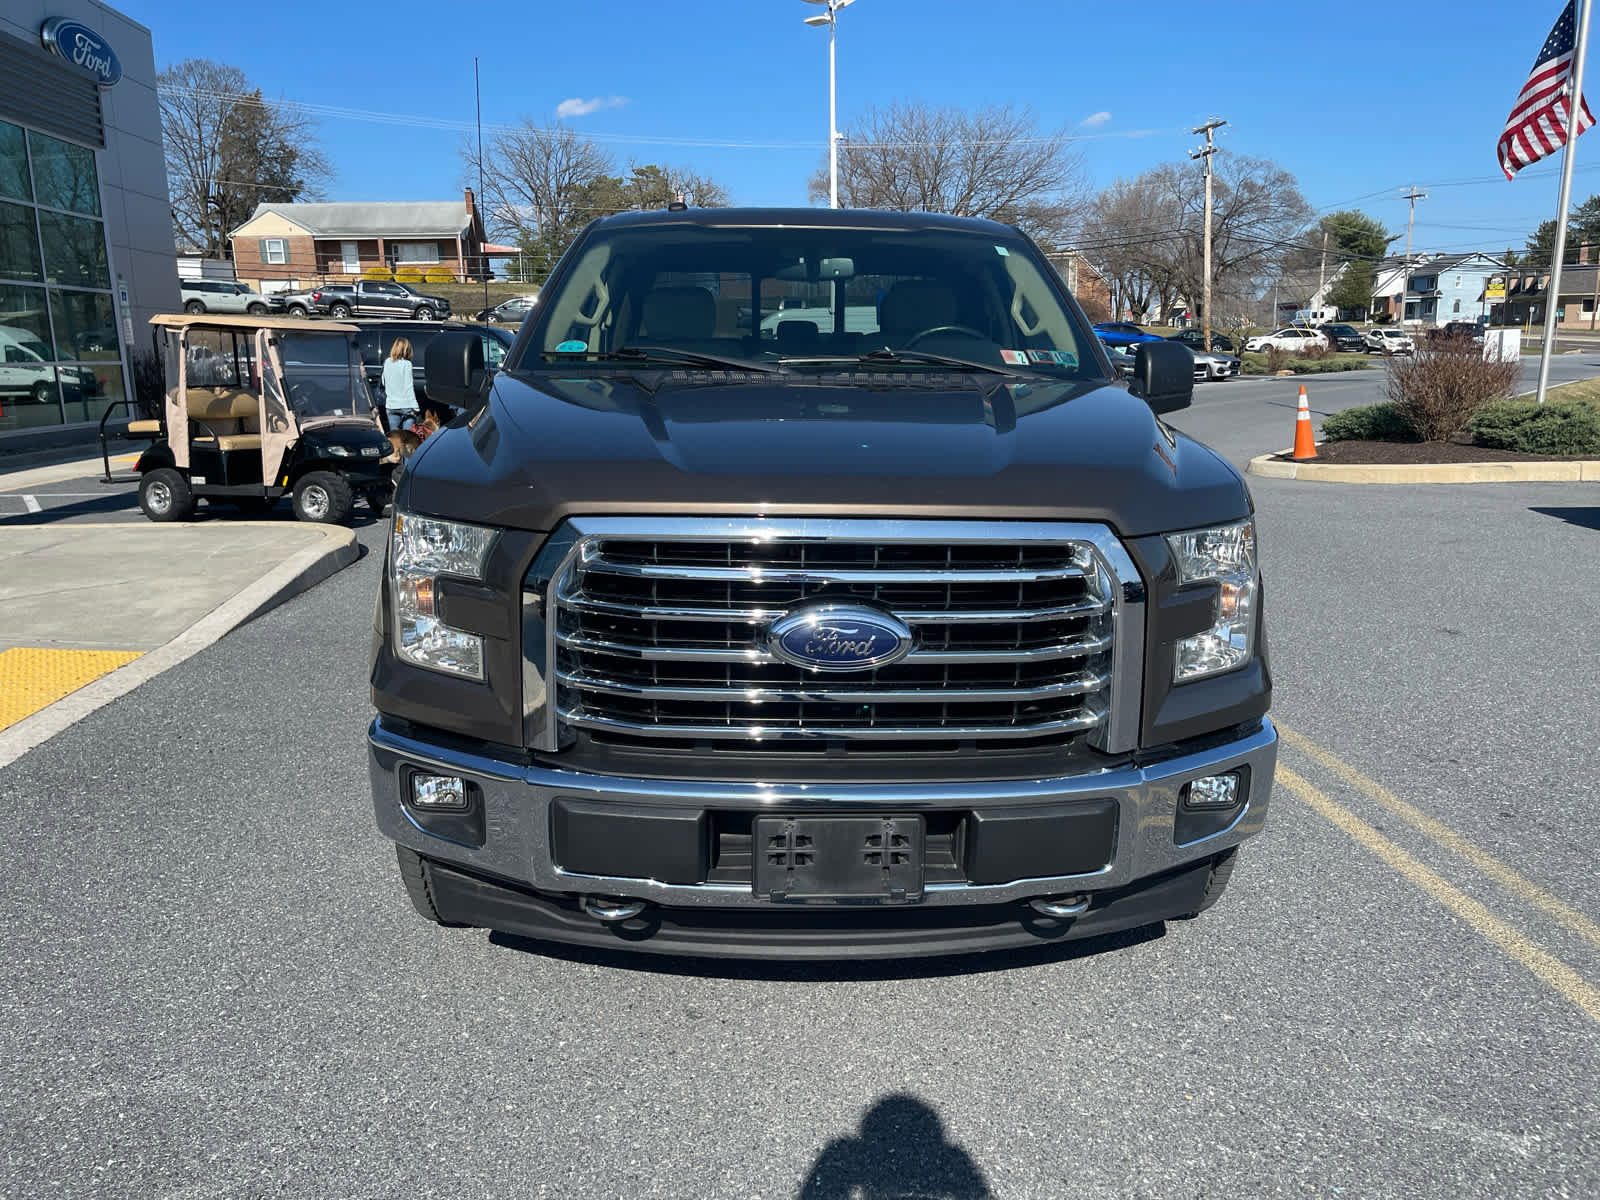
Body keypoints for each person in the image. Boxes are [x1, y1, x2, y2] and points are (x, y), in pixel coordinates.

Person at [380, 338, 417, 432]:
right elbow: (409, 386)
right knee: (408, 438)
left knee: (395, 437)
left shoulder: (387, 362)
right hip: (406, 405)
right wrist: (415, 407)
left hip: (391, 405)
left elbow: (383, 382)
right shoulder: (407, 364)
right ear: (407, 349)